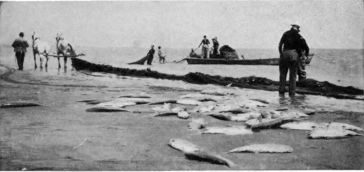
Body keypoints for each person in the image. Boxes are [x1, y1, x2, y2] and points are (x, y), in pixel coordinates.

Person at [278, 24, 306, 96]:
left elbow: (280, 45)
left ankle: (281, 93)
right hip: (293, 55)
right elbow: (303, 47)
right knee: (293, 76)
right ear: (297, 30)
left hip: (284, 54)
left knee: (282, 74)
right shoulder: (299, 36)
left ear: (291, 28)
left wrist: (281, 53)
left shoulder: (285, 33)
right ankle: (292, 94)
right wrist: (299, 56)